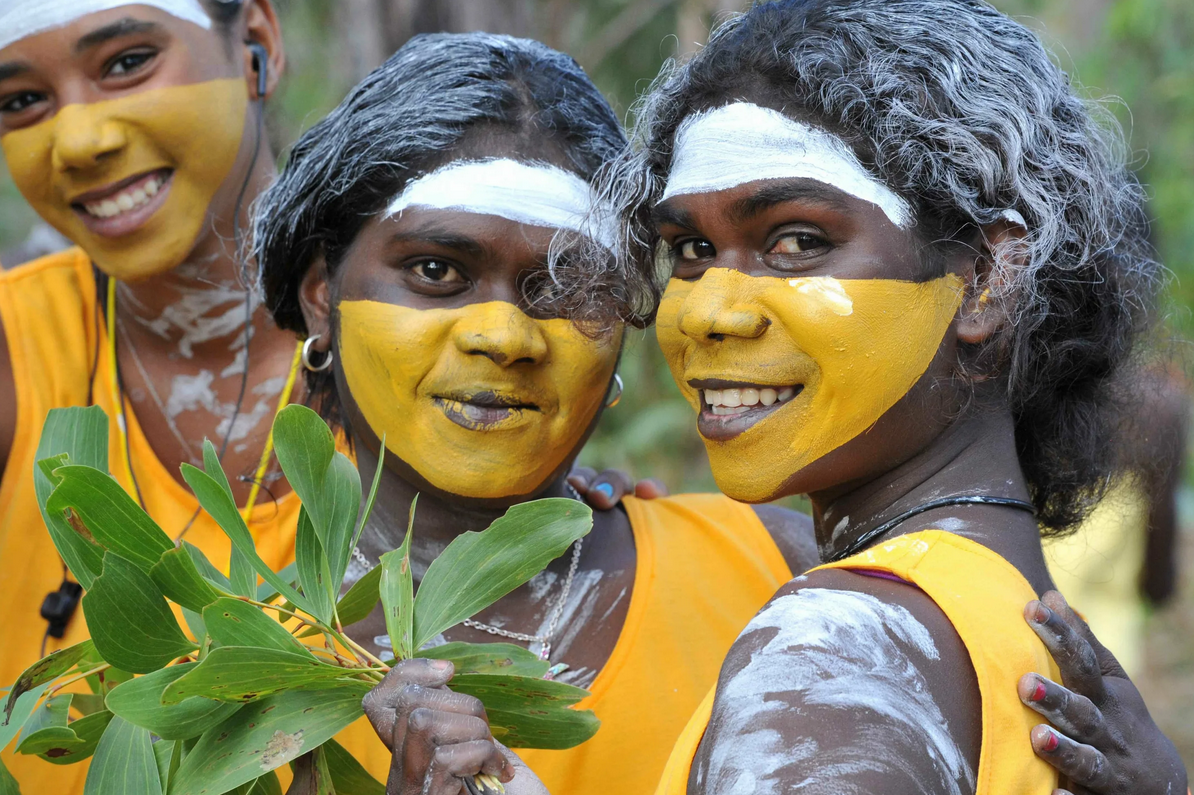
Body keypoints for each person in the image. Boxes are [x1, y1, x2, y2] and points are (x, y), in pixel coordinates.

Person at [272, 25, 1186, 795]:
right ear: (321, 296)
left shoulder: (823, 631)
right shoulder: (209, 639)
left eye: (797, 241)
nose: (707, 310)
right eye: (691, 251)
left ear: (985, 278)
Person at [254, 32, 815, 795]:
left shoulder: (788, 575)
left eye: (560, 284)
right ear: (323, 296)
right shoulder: (223, 640)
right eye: (435, 271)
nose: (504, 335)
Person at [0, 1, 296, 789]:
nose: (79, 139)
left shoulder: (420, 336)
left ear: (256, 45)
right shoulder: (16, 350)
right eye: (22, 101)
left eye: (128, 62)